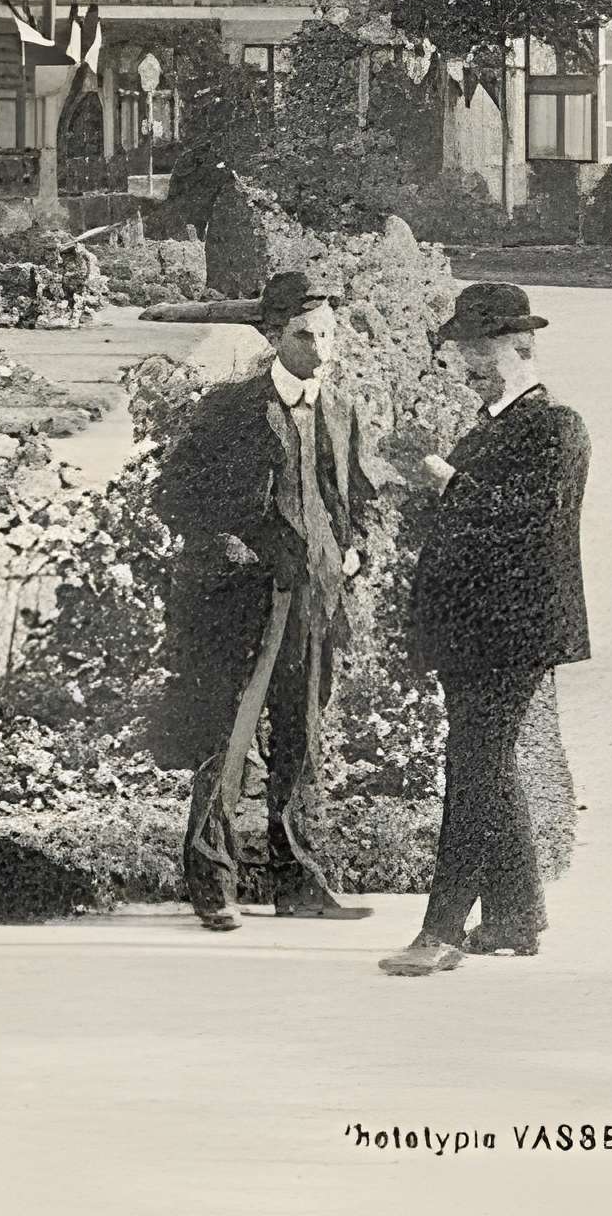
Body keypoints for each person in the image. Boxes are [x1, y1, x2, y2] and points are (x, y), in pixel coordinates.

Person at [153, 271, 382, 932]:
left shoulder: (340, 409)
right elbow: (173, 493)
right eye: (306, 336)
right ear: (274, 336)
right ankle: (212, 886)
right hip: (243, 601)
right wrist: (227, 544)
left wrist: (356, 547)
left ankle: (298, 884)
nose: (321, 349)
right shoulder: (230, 409)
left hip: (315, 599)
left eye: (329, 335)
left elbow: (357, 496)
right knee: (227, 741)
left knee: (301, 739)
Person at [382, 282, 592, 978]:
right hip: (474, 632)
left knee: (472, 768)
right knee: (489, 766)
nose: (468, 364)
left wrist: (444, 480)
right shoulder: (488, 429)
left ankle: (440, 931)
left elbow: (527, 520)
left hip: (513, 633)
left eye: (480, 351)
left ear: (521, 344)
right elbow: (467, 524)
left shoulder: (555, 427)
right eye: (463, 351)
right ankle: (514, 917)